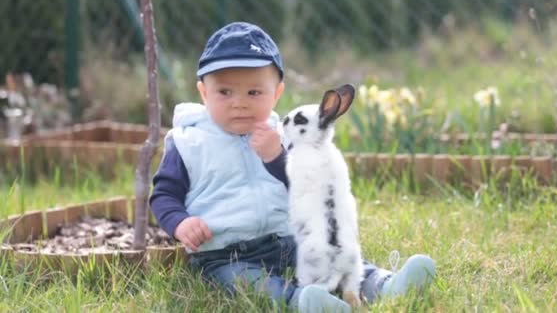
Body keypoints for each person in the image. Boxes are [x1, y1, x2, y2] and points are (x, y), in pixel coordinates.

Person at [149, 21, 436, 312]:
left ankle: (385, 284)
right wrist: (180, 223)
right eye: (225, 92)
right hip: (224, 254)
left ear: (276, 93)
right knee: (251, 282)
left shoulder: (284, 134)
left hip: (287, 240)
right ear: (203, 92)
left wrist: (276, 157)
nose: (239, 103)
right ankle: (303, 301)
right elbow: (164, 195)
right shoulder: (189, 141)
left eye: (254, 93)